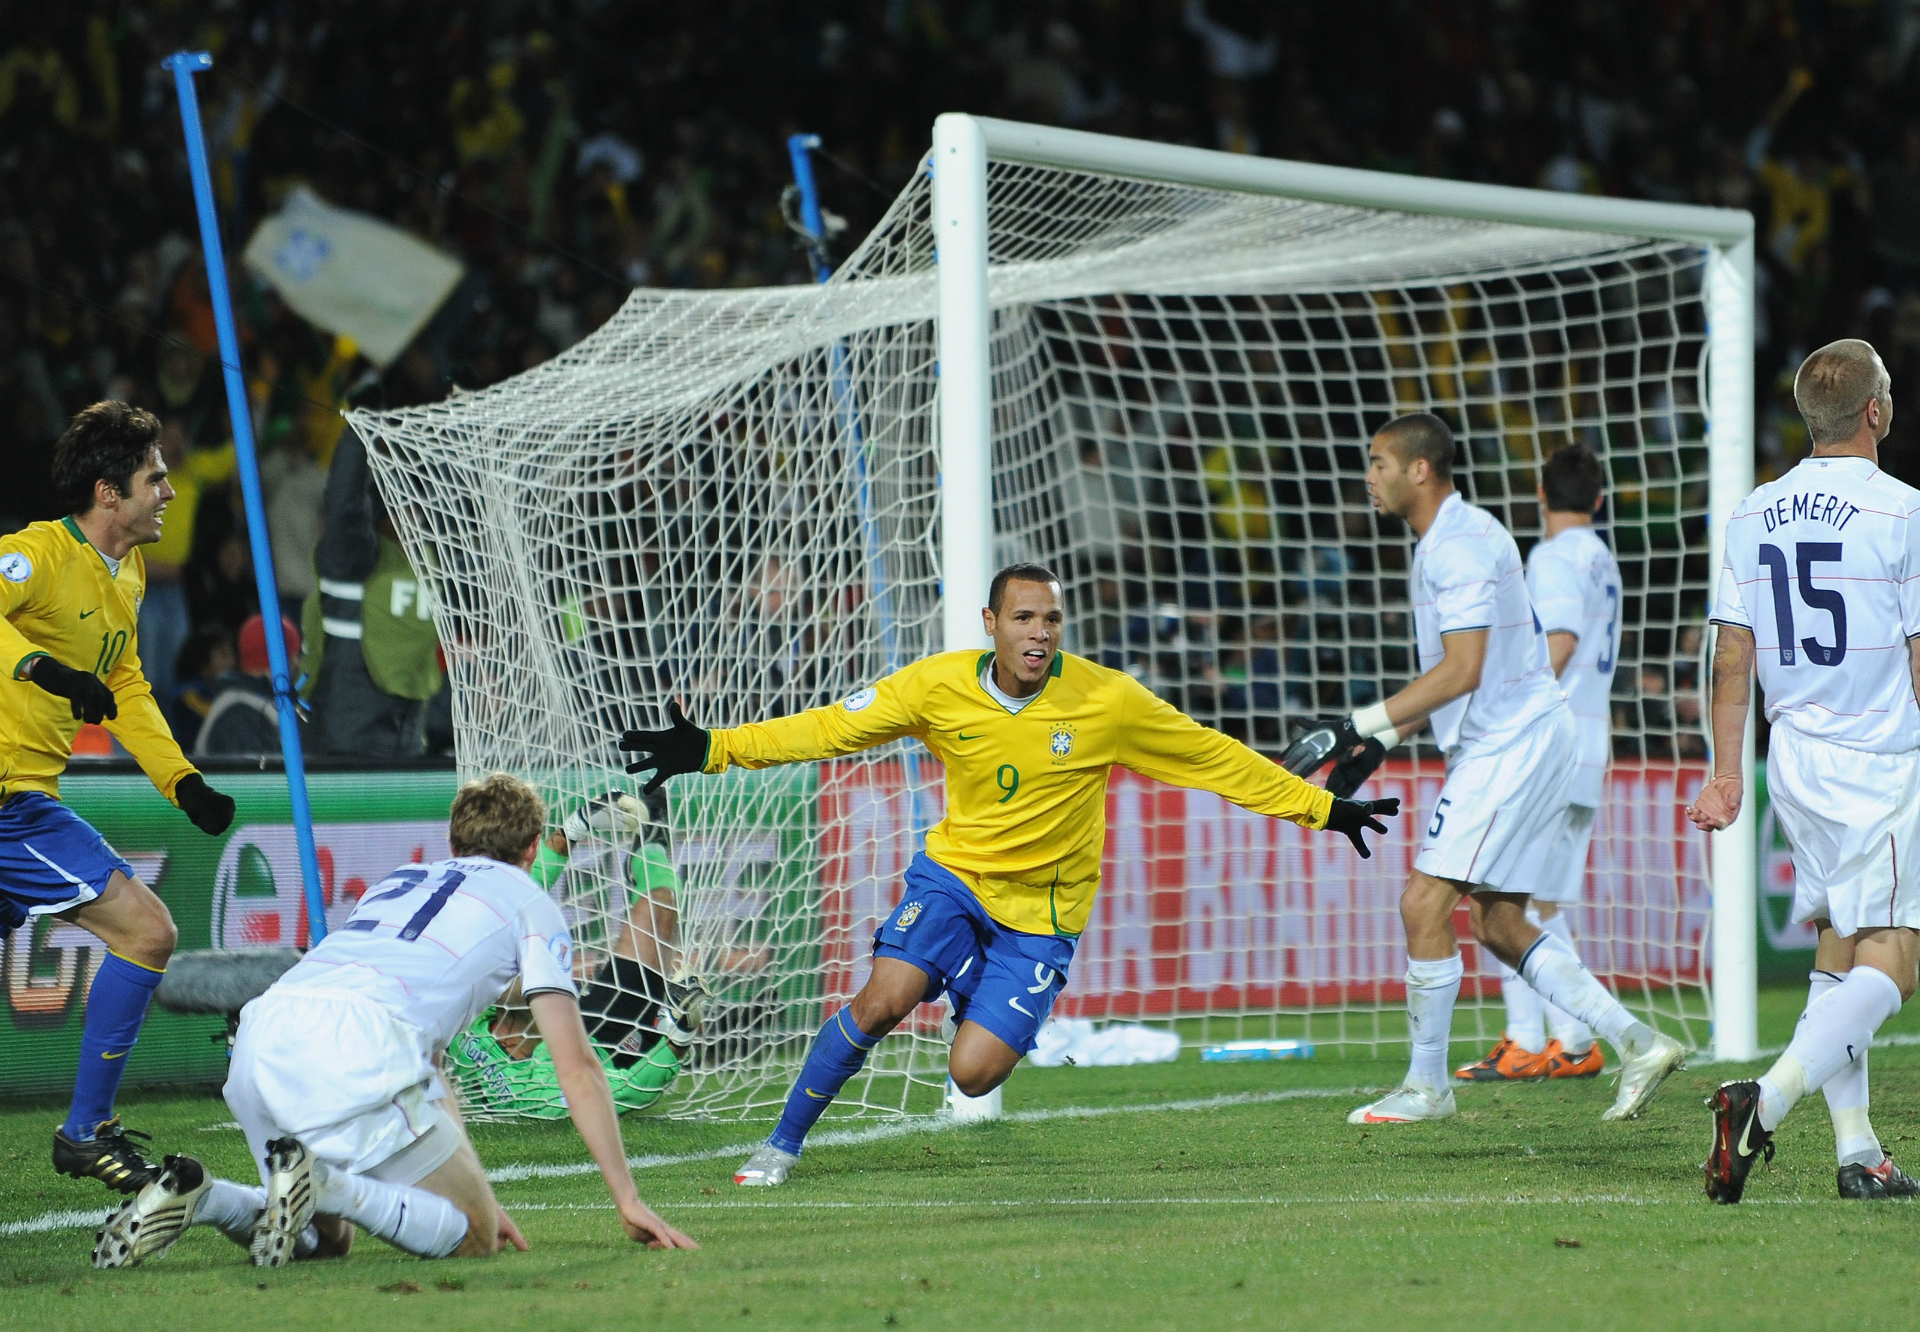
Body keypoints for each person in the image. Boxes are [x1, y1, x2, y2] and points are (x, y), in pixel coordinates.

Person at [618, 562, 1398, 1187]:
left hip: (1043, 914)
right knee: (884, 1001)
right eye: (1023, 618)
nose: (1039, 633)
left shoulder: (1105, 699)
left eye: (1051, 619)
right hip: (954, 877)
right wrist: (713, 748)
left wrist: (1320, 808)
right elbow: (831, 727)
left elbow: (1210, 756)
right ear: (990, 624)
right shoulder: (936, 685)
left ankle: (967, 978)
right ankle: (782, 1145)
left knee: (976, 1072)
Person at [92, 773, 697, 1268]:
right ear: (532, 850)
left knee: (323, 1242)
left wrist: (474, 1187)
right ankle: (327, 1183)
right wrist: (628, 1197)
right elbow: (577, 1067)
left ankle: (205, 1196)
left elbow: (432, 1067)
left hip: (262, 1033)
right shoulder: (531, 901)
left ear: (453, 843)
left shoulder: (398, 882)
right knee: (472, 1239)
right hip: (361, 1040)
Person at [1295, 413, 1682, 1125]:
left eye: (1378, 462)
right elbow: (1466, 671)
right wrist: (1380, 743)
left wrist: (1357, 724)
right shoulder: (1448, 540)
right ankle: (1638, 1041)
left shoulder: (1462, 545)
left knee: (1422, 903)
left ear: (1420, 469)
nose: (1367, 476)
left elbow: (1466, 669)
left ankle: (1425, 1087)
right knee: (1501, 922)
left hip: (1513, 744)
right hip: (1526, 736)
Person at [1689, 339, 1920, 1204]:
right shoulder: (1903, 511)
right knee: (1895, 961)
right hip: (1877, 759)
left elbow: (1732, 653)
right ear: (1875, 411)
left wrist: (1724, 771)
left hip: (1793, 760)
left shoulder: (1754, 510)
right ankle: (1764, 1103)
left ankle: (1859, 1152)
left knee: (1838, 945)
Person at [0, 401, 236, 1194]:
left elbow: (125, 683)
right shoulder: (37, 553)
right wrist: (39, 668)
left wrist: (183, 781)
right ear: (108, 493)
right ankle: (87, 1131)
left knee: (145, 932)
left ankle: (86, 1129)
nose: (169, 491)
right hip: (7, 805)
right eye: (155, 477)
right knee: (146, 930)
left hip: (26, 796)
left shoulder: (126, 573)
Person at [1455, 442, 1622, 1083]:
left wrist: (1509, 717)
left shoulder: (1553, 557)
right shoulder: (1603, 559)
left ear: (1541, 497)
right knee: (1538, 901)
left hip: (1549, 747)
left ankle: (1551, 1039)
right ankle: (1557, 1040)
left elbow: (1560, 641)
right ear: (1600, 500)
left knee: (1500, 895)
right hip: (1590, 743)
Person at [195, 613, 300, 758]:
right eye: (293, 655)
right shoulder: (240, 714)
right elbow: (255, 778)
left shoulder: (257, 703)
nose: (297, 663)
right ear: (280, 660)